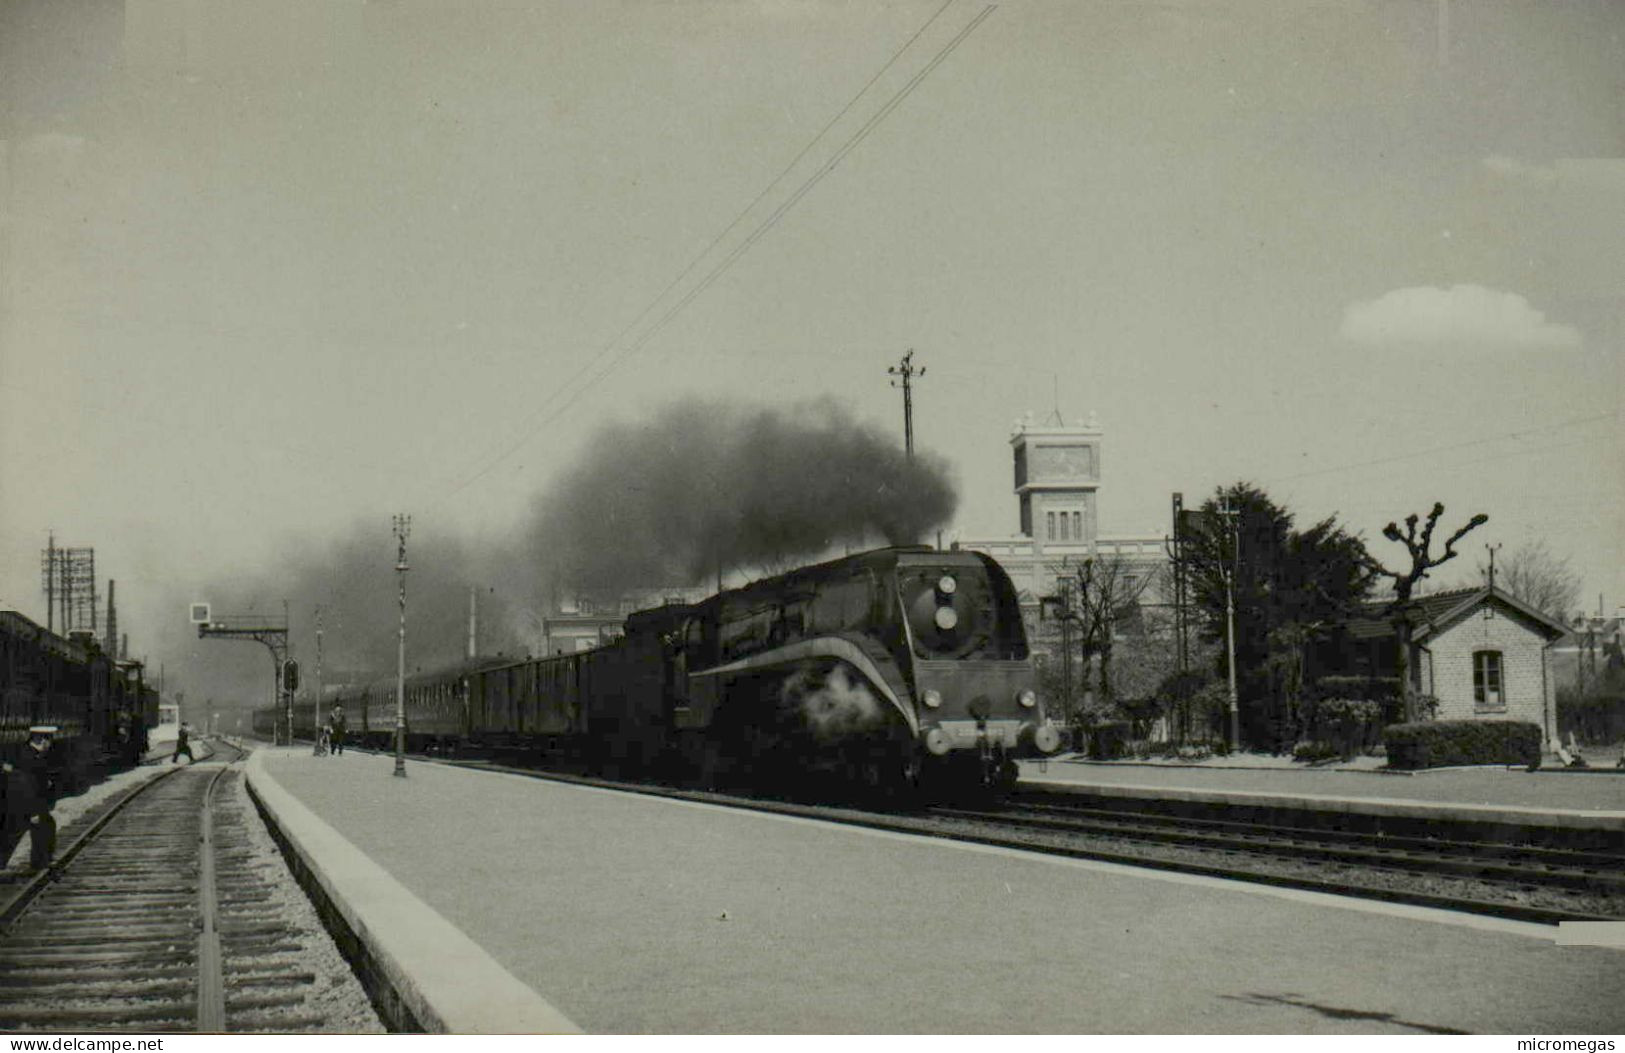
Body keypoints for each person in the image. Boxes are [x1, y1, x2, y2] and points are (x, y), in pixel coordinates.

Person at [10, 727, 60, 872]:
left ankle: (43, 862)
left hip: (36, 803)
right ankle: (39, 865)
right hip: (29, 804)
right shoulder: (28, 758)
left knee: (47, 826)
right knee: (40, 829)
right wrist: (33, 812)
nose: (50, 744)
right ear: (41, 740)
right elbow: (28, 788)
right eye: (49, 740)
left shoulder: (35, 755)